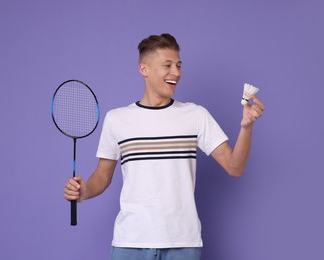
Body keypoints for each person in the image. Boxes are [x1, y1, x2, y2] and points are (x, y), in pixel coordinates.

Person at [63, 33, 265, 260]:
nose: (176, 73)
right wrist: (84, 191)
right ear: (144, 69)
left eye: (178, 66)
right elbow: (102, 176)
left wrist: (246, 127)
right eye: (167, 65)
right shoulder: (116, 119)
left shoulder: (196, 115)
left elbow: (234, 167)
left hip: (183, 244)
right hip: (130, 243)